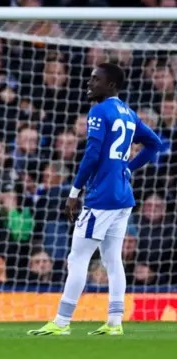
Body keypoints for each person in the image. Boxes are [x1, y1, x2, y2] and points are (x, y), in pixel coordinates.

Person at [28, 63, 162, 336]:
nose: (89, 83)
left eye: (95, 79)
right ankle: (114, 323)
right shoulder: (128, 112)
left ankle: (62, 322)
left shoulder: (99, 111)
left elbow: (91, 155)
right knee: (112, 259)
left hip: (101, 198)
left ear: (111, 85)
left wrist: (74, 192)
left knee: (77, 258)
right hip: (123, 196)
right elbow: (154, 144)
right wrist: (128, 168)